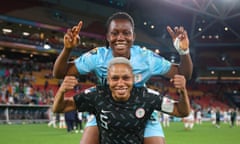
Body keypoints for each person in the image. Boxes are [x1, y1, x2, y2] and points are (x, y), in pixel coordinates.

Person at [53, 12, 193, 144]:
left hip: (141, 108)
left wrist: (183, 51)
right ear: (108, 36)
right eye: (115, 33)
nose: (120, 38)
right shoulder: (97, 57)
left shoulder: (147, 58)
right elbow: (60, 73)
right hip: (105, 107)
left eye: (126, 33)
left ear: (133, 36)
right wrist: (67, 49)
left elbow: (183, 73)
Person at [52, 57, 191, 143]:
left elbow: (182, 111)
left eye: (125, 78)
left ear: (134, 79)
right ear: (108, 80)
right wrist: (62, 91)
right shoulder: (97, 94)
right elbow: (59, 108)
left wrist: (183, 92)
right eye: (114, 78)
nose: (120, 83)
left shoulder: (146, 96)